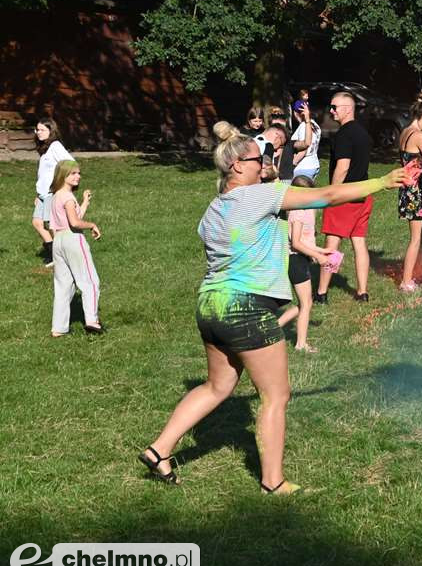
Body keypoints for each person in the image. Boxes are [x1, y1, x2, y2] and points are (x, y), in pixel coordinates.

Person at [138, 128, 406, 493]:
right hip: (245, 306)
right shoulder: (260, 196)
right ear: (236, 166)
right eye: (257, 159)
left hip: (210, 305)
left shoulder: (213, 209)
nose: (264, 165)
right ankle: (272, 482)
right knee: (276, 396)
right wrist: (381, 182)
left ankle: (159, 449)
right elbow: (326, 195)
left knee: (219, 386)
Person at [315, 92, 374, 304]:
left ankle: (321, 293)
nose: (331, 111)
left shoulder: (343, 135)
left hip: (344, 197)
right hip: (363, 194)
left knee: (332, 245)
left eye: (334, 107)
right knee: (359, 243)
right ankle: (362, 291)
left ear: (348, 108)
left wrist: (331, 193)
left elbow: (343, 167)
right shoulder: (363, 134)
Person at [277, 174, 335, 353]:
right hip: (295, 260)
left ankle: (273, 327)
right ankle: (301, 344)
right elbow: (296, 243)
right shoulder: (298, 212)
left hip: (301, 258)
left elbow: (306, 241)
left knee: (305, 303)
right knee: (306, 303)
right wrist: (318, 257)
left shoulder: (305, 209)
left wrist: (322, 251)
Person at [48, 160, 102, 336]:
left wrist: (85, 202)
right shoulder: (68, 198)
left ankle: (58, 328)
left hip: (58, 242)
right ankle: (92, 321)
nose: (77, 176)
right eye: (73, 173)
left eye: (79, 173)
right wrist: (92, 224)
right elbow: (75, 222)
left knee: (63, 286)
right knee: (90, 282)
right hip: (73, 239)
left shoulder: (56, 196)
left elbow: (69, 218)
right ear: (63, 175)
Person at [398, 96, 422, 292]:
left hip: (407, 189)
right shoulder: (419, 136)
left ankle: (413, 274)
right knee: (416, 238)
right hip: (416, 191)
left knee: (418, 235)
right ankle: (406, 281)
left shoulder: (404, 132)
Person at [32, 117, 73, 268]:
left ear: (51, 131)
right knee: (37, 223)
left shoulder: (55, 146)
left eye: (42, 130)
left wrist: (61, 186)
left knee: (53, 226)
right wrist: (38, 195)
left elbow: (70, 163)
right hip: (42, 195)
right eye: (37, 130)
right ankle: (52, 252)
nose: (38, 133)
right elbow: (43, 174)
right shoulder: (44, 149)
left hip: (52, 193)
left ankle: (61, 258)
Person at [290, 100, 321, 182]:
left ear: (295, 113)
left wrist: (292, 164)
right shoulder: (315, 125)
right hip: (314, 164)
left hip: (303, 168)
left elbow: (304, 149)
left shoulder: (304, 127)